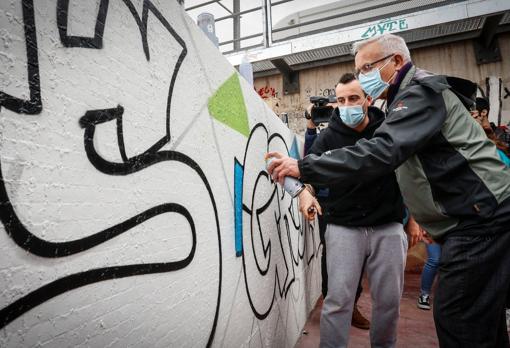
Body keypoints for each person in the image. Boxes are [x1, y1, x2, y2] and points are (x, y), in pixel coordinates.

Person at [267, 33, 510, 347]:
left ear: (397, 61)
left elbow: (383, 153)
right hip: (473, 217)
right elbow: (420, 170)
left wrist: (303, 167)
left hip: (480, 220)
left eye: (368, 68)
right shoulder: (404, 102)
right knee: (480, 322)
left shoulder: (417, 95)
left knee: (460, 319)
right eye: (358, 73)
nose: (363, 79)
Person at [297, 73, 421, 347]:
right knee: (338, 300)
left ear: (368, 98)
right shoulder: (328, 137)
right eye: (341, 100)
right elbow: (309, 174)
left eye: (353, 98)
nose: (347, 105)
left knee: (388, 301)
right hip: (343, 227)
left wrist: (412, 219)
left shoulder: (389, 130)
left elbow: (408, 175)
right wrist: (306, 194)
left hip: (387, 226)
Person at [304, 103, 370, 330]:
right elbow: (308, 159)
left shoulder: (357, 132)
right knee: (330, 253)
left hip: (356, 202)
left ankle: (351, 304)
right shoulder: (324, 136)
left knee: (360, 255)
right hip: (327, 203)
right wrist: (311, 121)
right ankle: (330, 301)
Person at [417, 241, 441, 310]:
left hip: (452, 232)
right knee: (434, 260)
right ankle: (424, 295)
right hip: (433, 231)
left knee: (447, 261)